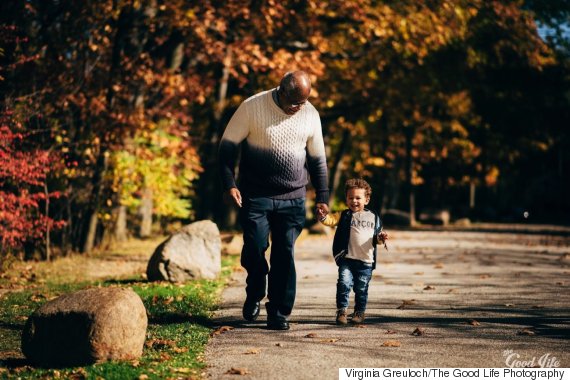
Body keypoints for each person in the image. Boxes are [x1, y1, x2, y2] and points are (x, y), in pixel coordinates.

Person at [218, 70, 329, 330]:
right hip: (256, 196)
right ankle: (255, 289)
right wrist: (229, 184)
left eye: (303, 103)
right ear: (280, 91)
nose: (298, 109)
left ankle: (279, 312)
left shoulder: (310, 115)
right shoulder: (252, 107)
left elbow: (318, 160)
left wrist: (322, 196)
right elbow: (226, 149)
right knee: (255, 249)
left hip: (293, 199)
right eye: (294, 104)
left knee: (284, 254)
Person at [317, 178, 388, 325]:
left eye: (358, 198)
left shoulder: (374, 217)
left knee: (361, 289)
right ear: (346, 199)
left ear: (366, 199)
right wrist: (322, 216)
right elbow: (329, 220)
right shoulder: (343, 215)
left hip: (366, 261)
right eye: (350, 198)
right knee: (343, 284)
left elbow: (377, 240)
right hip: (347, 259)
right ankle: (342, 311)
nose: (354, 201)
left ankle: (359, 312)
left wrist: (382, 238)